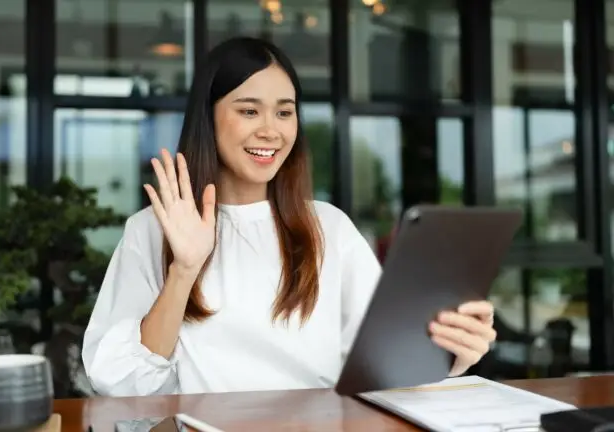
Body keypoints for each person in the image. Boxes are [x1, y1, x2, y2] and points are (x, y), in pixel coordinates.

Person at [81, 37, 497, 397]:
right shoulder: (152, 230)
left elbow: (380, 366)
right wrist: (184, 270)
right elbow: (124, 384)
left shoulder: (329, 228)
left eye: (284, 112)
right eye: (249, 111)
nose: (271, 131)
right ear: (208, 118)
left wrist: (449, 354)